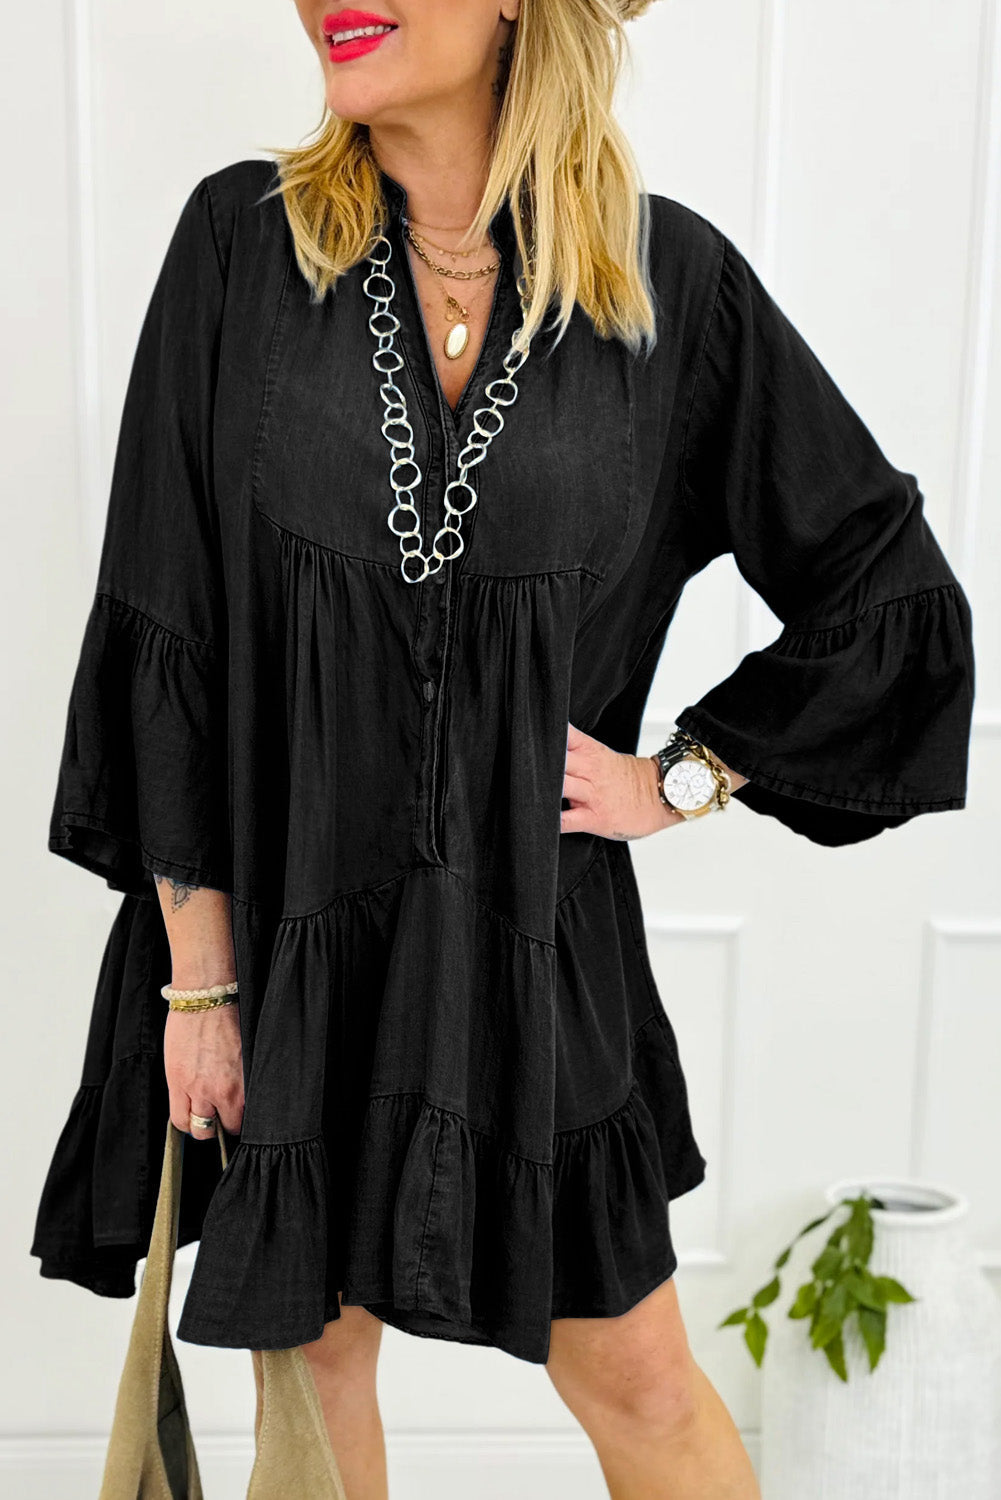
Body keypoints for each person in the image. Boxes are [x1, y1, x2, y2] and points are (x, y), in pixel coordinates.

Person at [31, 1, 974, 1496]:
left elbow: (885, 588)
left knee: (640, 1381)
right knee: (313, 1373)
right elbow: (168, 625)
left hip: (535, 946)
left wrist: (682, 777)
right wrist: (199, 980)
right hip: (286, 937)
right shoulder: (239, 247)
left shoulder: (666, 288)